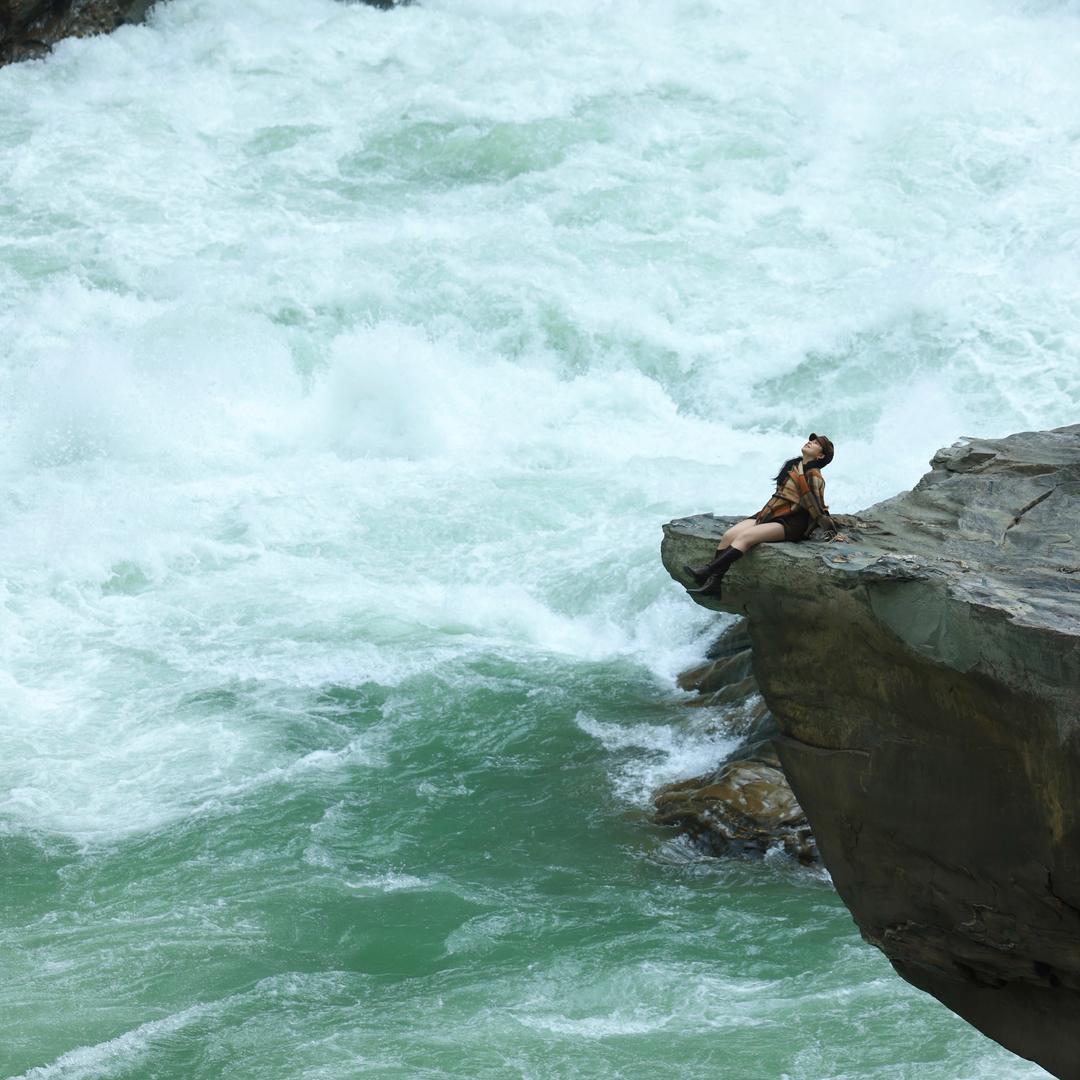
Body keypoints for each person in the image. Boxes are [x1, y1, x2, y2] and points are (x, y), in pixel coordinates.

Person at [684, 433, 848, 596]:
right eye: (811, 440)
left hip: (792, 522)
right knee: (729, 535)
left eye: (816, 443)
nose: (810, 442)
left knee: (746, 537)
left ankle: (707, 571)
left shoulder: (814, 475)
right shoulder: (793, 465)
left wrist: (829, 527)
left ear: (821, 455)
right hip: (772, 512)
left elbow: (816, 505)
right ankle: (714, 584)